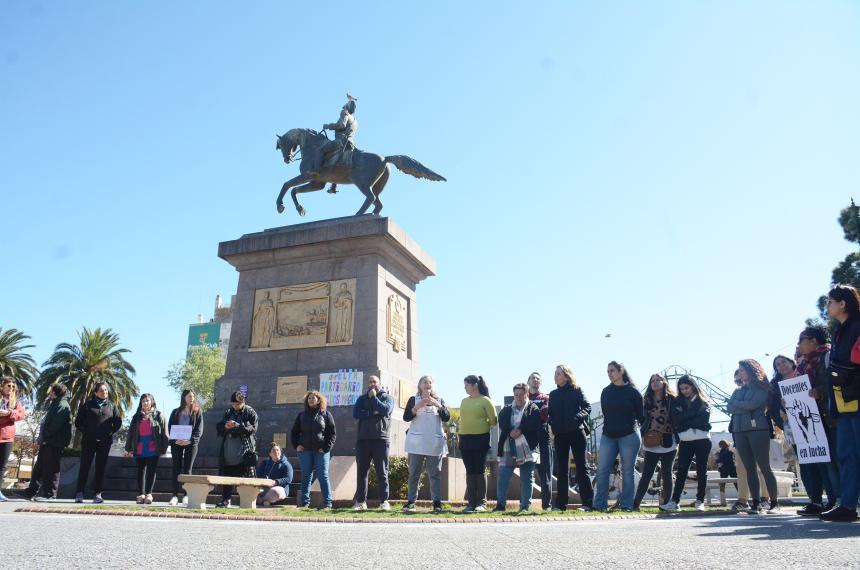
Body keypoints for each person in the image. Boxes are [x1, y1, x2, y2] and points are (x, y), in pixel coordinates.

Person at [820, 285, 860, 521]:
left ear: (842, 303)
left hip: (856, 397)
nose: (828, 306)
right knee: (846, 455)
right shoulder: (840, 330)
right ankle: (847, 505)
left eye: (830, 301)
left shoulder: (856, 326)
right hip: (844, 401)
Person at [795, 325, 841, 516]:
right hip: (814, 420)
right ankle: (832, 500)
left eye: (802, 341)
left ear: (813, 341)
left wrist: (819, 392)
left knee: (837, 460)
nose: (799, 346)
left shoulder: (828, 356)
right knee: (825, 461)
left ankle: (844, 499)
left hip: (831, 416)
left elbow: (834, 381)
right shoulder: (803, 365)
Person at [728, 359, 779, 514]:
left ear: (751, 371)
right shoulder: (738, 391)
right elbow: (729, 407)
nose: (740, 373)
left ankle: (774, 503)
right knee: (749, 469)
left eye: (742, 370)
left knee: (764, 467)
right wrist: (742, 405)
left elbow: (755, 404)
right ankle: (755, 503)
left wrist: (738, 405)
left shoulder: (762, 388)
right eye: (740, 370)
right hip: (739, 432)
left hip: (758, 430)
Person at [593, 361, 644, 512]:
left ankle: (627, 505)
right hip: (608, 436)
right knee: (602, 469)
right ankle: (599, 505)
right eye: (607, 371)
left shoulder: (633, 392)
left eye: (612, 370)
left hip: (629, 436)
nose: (609, 373)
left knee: (627, 470)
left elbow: (642, 417)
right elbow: (607, 413)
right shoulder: (606, 391)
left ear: (621, 371)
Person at [660, 375, 712, 512]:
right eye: (681, 388)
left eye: (687, 388)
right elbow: (677, 420)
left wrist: (686, 419)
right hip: (685, 441)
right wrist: (693, 416)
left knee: (702, 471)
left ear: (693, 386)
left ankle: (700, 501)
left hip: (703, 439)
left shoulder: (703, 401)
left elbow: (704, 421)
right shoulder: (677, 401)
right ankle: (674, 501)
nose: (684, 391)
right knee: (681, 471)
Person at [547, 364, 594, 511]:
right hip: (560, 434)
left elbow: (587, 407)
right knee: (561, 469)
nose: (556, 376)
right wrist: (552, 424)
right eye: (555, 373)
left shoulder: (576, 390)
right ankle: (561, 504)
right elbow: (551, 414)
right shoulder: (553, 394)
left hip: (576, 432)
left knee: (581, 467)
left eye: (559, 373)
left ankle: (587, 503)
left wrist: (578, 417)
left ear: (567, 376)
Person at [402, 375, 450, 514]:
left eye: (430, 382)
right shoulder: (413, 399)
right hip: (416, 443)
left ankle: (436, 503)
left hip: (434, 443)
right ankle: (411, 502)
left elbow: (446, 417)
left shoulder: (439, 400)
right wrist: (416, 407)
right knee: (414, 473)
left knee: (435, 474)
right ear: (420, 385)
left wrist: (437, 404)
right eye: (425, 382)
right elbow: (406, 418)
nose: (428, 384)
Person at [21, 383, 72, 501]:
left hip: (54, 442)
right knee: (39, 467)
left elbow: (56, 425)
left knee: (52, 468)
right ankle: (31, 492)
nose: (49, 393)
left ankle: (50, 494)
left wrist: (45, 435)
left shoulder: (62, 405)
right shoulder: (56, 403)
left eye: (51, 391)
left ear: (54, 393)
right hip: (48, 441)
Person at [633, 374, 677, 510]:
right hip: (651, 440)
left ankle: (666, 504)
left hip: (668, 440)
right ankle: (636, 504)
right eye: (652, 381)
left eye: (658, 380)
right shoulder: (646, 400)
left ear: (664, 383)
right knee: (647, 474)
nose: (655, 383)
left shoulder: (672, 399)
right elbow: (640, 417)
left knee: (667, 473)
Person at [495, 383, 541, 513]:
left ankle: (525, 506)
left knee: (527, 478)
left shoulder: (533, 408)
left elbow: (534, 424)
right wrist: (510, 431)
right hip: (508, 447)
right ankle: (500, 505)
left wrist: (521, 430)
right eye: (516, 395)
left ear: (527, 394)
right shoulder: (506, 409)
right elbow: (502, 422)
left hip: (527, 447)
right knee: (503, 476)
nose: (519, 397)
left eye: (522, 395)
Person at [352, 375, 394, 511]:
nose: (372, 384)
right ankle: (360, 502)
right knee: (362, 472)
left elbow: (386, 411)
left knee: (382, 471)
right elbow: (356, 413)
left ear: (379, 384)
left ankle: (384, 502)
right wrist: (373, 412)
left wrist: (374, 399)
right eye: (370, 382)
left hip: (381, 439)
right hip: (363, 440)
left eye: (374, 382)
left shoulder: (388, 398)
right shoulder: (361, 399)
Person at [74, 382, 121, 503]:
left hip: (104, 443)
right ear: (95, 392)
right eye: (101, 390)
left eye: (106, 390)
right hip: (88, 442)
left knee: (100, 468)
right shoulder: (87, 405)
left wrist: (109, 432)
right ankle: (79, 493)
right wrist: (87, 431)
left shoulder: (112, 406)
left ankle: (98, 494)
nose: (104, 392)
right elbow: (78, 422)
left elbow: (117, 422)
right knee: (84, 467)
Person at [458, 375, 498, 513]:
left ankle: (481, 502)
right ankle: (471, 502)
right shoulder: (463, 401)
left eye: (466, 385)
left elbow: (493, 421)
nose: (464, 388)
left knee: (479, 470)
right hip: (464, 440)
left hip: (481, 439)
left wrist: (482, 425)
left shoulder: (485, 400)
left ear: (474, 385)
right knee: (470, 470)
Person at [291, 390, 336, 509]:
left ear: (319, 400)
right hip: (305, 451)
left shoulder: (325, 414)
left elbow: (332, 434)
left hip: (321, 451)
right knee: (306, 475)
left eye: (313, 398)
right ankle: (305, 503)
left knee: (323, 476)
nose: (311, 400)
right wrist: (296, 445)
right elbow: (294, 432)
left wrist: (326, 448)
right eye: (309, 398)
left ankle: (328, 503)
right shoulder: (302, 415)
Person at [216, 391, 258, 508]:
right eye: (233, 404)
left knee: (244, 477)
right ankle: (226, 500)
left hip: (244, 451)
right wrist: (225, 426)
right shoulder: (228, 412)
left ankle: (247, 501)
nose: (235, 406)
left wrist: (237, 426)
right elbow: (218, 426)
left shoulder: (250, 412)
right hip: (228, 450)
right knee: (227, 477)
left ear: (243, 402)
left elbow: (252, 429)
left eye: (237, 404)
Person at [124, 393, 169, 504]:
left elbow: (165, 433)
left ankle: (149, 493)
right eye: (143, 401)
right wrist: (129, 448)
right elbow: (131, 433)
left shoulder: (159, 415)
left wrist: (163, 448)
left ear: (152, 402)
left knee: (151, 471)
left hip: (153, 447)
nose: (145, 403)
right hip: (139, 447)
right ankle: (141, 494)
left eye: (147, 401)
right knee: (140, 471)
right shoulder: (136, 416)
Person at [312, 93, 358, 194]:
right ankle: (333, 186)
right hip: (350, 144)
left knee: (320, 150)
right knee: (334, 158)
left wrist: (329, 126)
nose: (343, 108)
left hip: (340, 142)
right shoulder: (355, 120)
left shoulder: (345, 113)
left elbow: (341, 125)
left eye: (345, 106)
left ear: (347, 107)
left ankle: (316, 171)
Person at [167, 389, 204, 506]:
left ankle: (186, 496)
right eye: (189, 396)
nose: (191, 398)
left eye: (193, 396)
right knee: (176, 468)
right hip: (176, 443)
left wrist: (190, 441)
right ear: (184, 397)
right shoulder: (175, 411)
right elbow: (170, 427)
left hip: (191, 444)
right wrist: (175, 440)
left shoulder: (198, 411)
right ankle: (174, 496)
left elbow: (199, 430)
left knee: (188, 469)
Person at [527, 372, 554, 510]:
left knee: (545, 474)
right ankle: (525, 505)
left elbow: (544, 414)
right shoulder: (523, 397)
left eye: (538, 378)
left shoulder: (546, 397)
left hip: (543, 439)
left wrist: (530, 416)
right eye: (533, 378)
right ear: (528, 381)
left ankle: (546, 505)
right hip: (526, 441)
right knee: (526, 472)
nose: (535, 380)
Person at [0, 376, 25, 502]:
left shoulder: (16, 402)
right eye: (8, 385)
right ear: (2, 386)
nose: (11, 388)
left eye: (13, 386)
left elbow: (20, 415)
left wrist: (8, 414)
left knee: (2, 466)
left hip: (7, 438)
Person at [256, 442, 294, 506]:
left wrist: (276, 482)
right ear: (270, 454)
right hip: (265, 487)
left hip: (280, 488)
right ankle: (266, 501)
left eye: (278, 450)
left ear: (280, 452)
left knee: (275, 492)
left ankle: (260, 500)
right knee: (252, 490)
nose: (276, 452)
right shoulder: (264, 463)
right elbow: (258, 475)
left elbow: (288, 479)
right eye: (273, 450)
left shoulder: (286, 464)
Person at [714, 440, 737, 506]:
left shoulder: (722, 451)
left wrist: (716, 460)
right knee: (736, 483)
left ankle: (722, 500)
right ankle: (742, 497)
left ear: (721, 445)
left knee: (722, 484)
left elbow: (721, 459)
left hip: (724, 469)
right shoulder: (730, 450)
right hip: (732, 469)